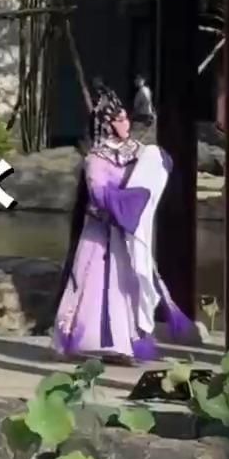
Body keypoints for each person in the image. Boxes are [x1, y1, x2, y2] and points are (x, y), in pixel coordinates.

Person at [52, 84, 195, 362]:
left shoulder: (140, 153)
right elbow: (98, 194)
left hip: (127, 232)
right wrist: (129, 200)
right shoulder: (96, 158)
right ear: (106, 124)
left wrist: (151, 177)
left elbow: (153, 174)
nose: (125, 123)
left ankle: (127, 343)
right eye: (118, 119)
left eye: (125, 117)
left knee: (130, 284)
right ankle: (94, 342)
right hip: (100, 233)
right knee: (96, 288)